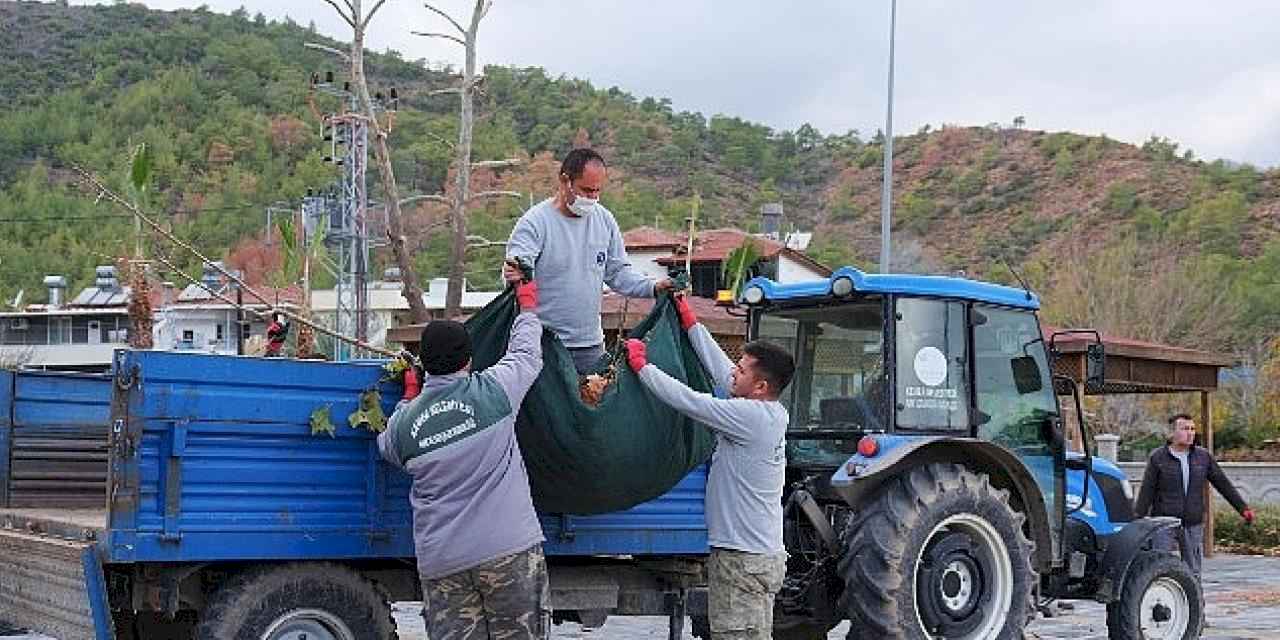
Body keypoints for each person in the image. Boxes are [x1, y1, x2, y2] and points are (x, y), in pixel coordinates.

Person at [376, 278, 549, 639]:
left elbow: (387, 447)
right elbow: (527, 354)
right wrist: (528, 307)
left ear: (423, 363)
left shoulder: (403, 428)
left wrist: (410, 395)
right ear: (469, 360)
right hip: (508, 552)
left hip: (444, 561)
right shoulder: (495, 392)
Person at [622, 295, 793, 639]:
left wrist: (643, 368)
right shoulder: (768, 412)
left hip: (741, 560)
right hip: (759, 556)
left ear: (760, 386)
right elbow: (720, 368)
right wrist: (691, 322)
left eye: (742, 369)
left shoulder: (748, 417)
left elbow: (690, 401)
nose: (734, 371)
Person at [503, 147, 672, 373]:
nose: (592, 198)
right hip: (542, 345)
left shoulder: (604, 220)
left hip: (590, 346)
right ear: (565, 181)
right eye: (586, 190)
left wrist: (653, 287)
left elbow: (618, 273)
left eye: (597, 191)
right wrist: (514, 272)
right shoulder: (534, 223)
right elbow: (518, 269)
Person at [1134, 413, 1255, 579]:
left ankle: (1195, 602)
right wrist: (1137, 520)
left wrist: (1243, 508)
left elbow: (1222, 483)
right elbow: (1147, 490)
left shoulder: (1203, 457)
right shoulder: (1158, 457)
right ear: (1172, 433)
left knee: (1193, 570)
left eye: (1192, 429)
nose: (1190, 433)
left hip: (1192, 522)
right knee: (1158, 566)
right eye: (1185, 429)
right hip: (1164, 522)